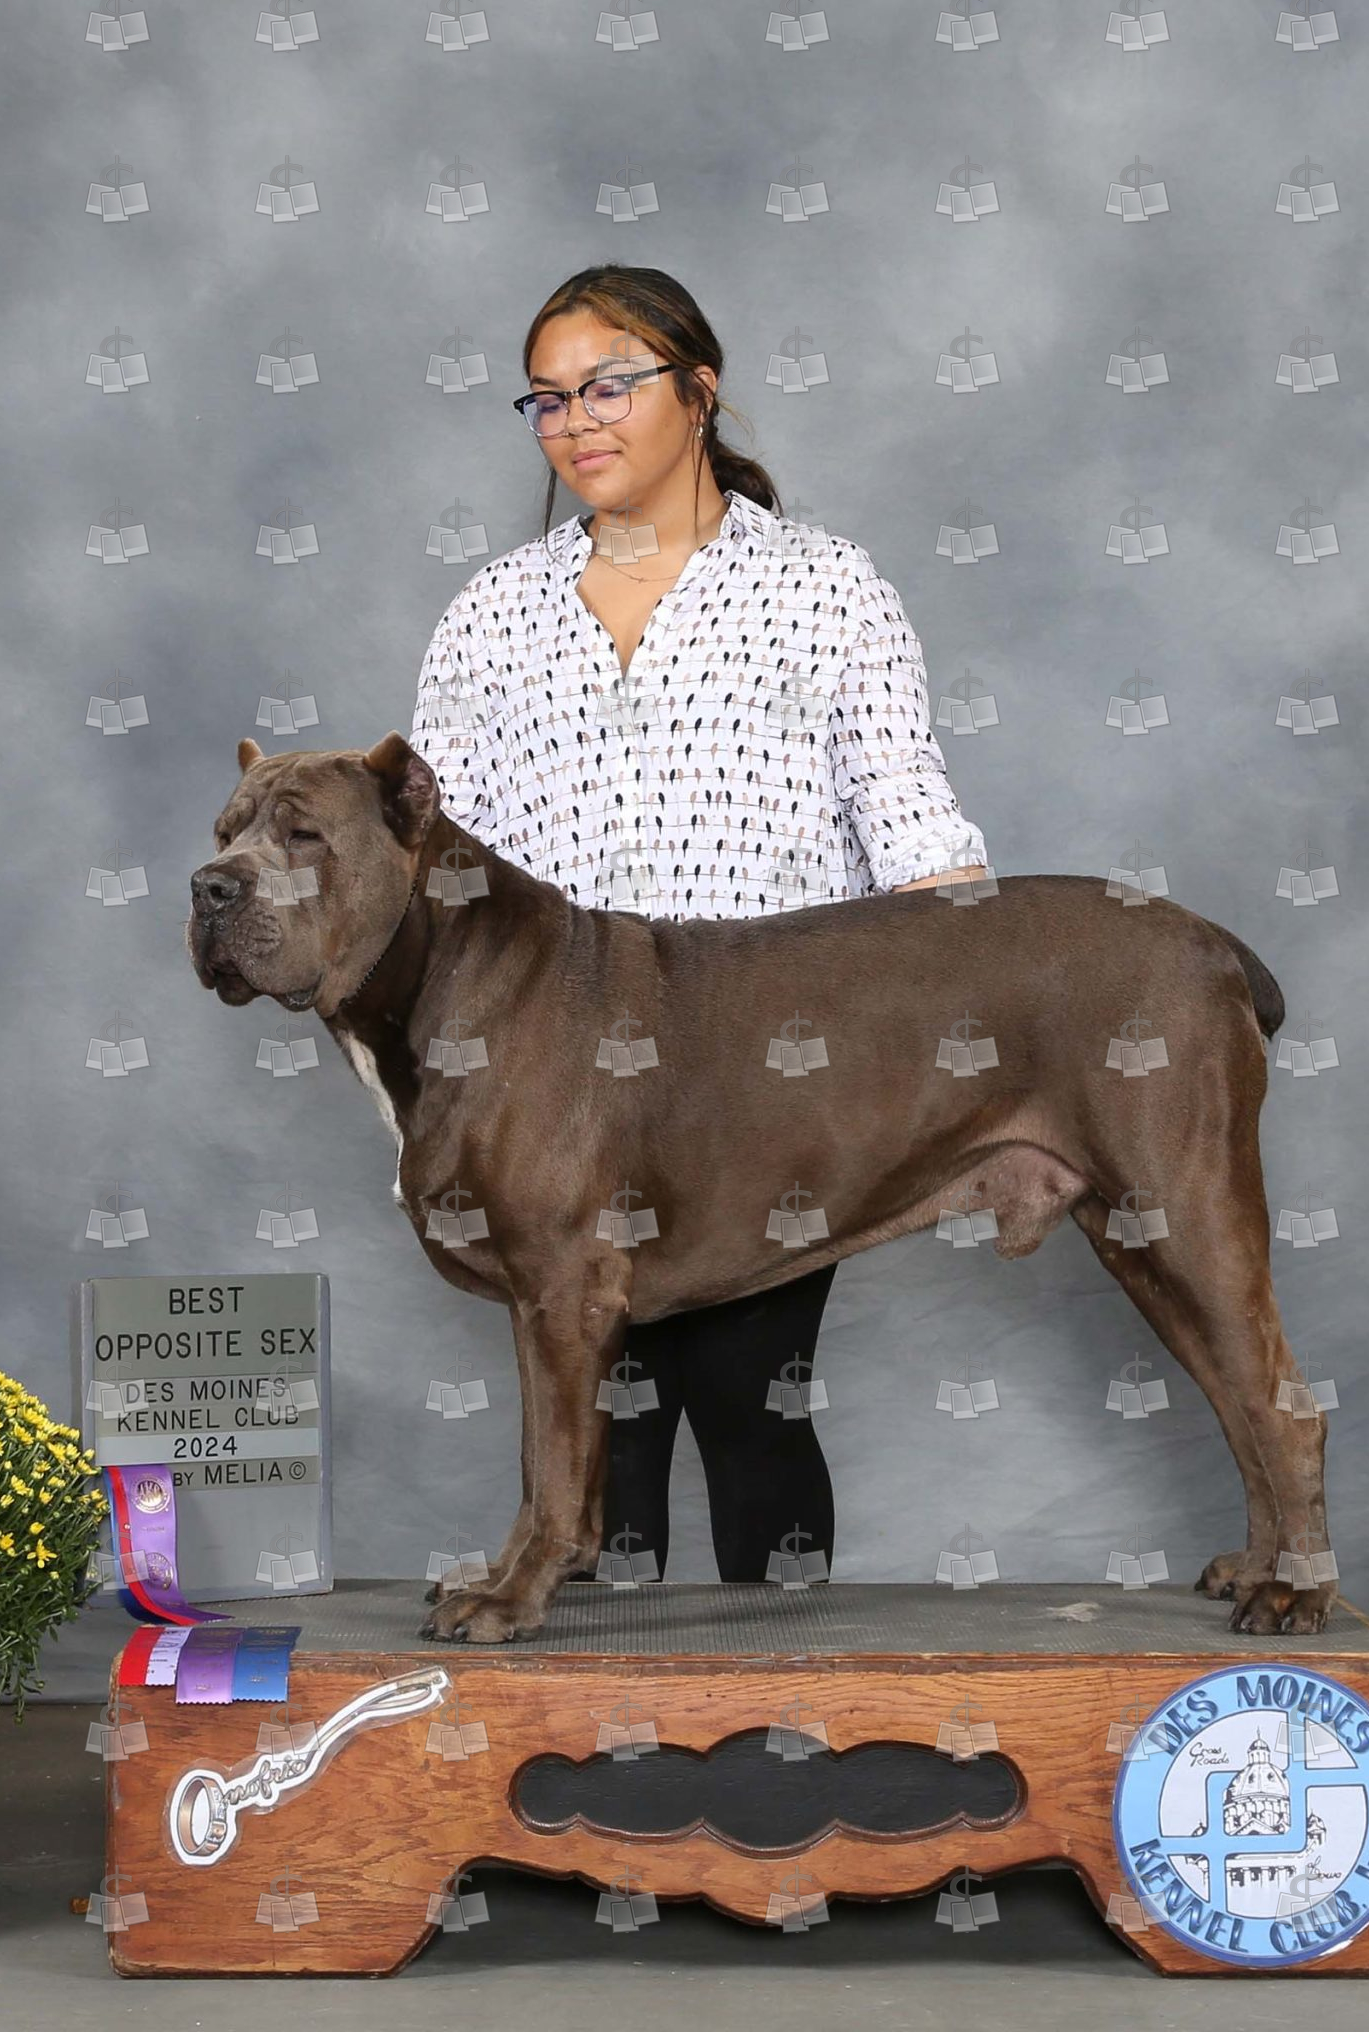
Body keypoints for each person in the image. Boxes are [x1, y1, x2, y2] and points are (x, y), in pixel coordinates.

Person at [407, 263, 990, 1586]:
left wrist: (970, 1042)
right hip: (552, 1083)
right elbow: (439, 872)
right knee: (599, 1427)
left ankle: (781, 1698)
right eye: (548, 399)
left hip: (766, 1072)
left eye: (610, 385)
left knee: (750, 1400)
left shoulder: (827, 587)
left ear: (700, 391)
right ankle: (604, 1698)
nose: (577, 422)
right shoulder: (491, 614)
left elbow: (910, 823)